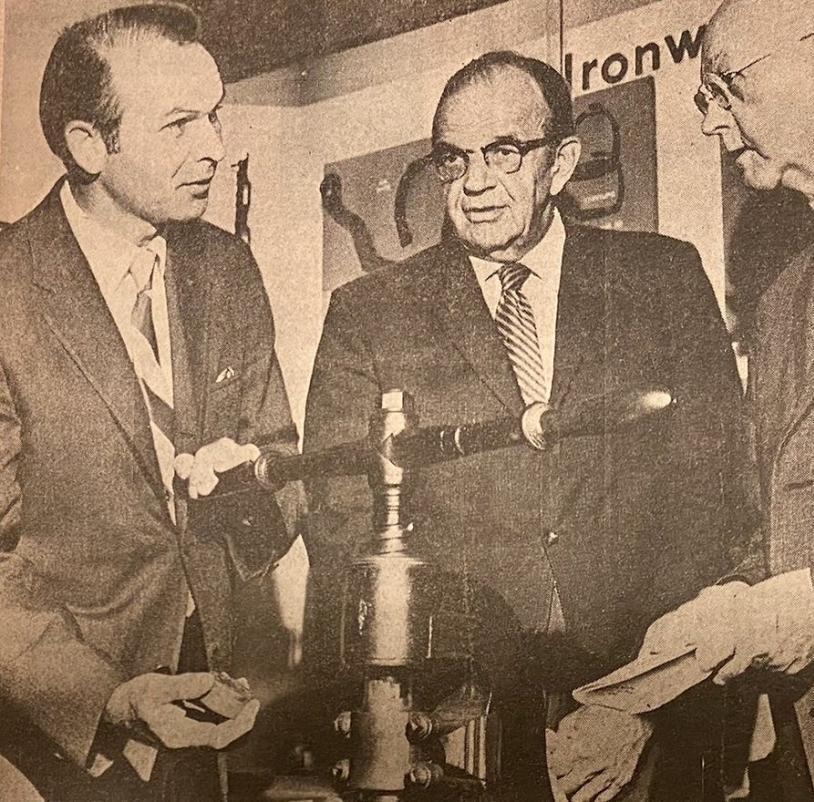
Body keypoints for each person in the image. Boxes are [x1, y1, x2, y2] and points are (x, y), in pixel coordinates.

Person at [303, 51, 749, 801]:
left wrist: (640, 701)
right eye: (452, 160)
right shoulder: (369, 314)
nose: (475, 183)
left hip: (650, 703)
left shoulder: (661, 278)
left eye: (504, 153)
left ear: (562, 161)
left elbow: (713, 498)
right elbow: (342, 523)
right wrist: (450, 713)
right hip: (453, 724)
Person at [568, 1, 814, 800]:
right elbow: (780, 531)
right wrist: (690, 642)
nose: (710, 120)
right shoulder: (785, 300)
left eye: (726, 85)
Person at [0, 5, 299, 800]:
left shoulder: (226, 272)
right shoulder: (5, 289)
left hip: (205, 723)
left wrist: (246, 498)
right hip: (51, 742)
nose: (213, 146)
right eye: (178, 125)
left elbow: (286, 478)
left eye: (214, 115)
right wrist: (108, 696)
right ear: (87, 145)